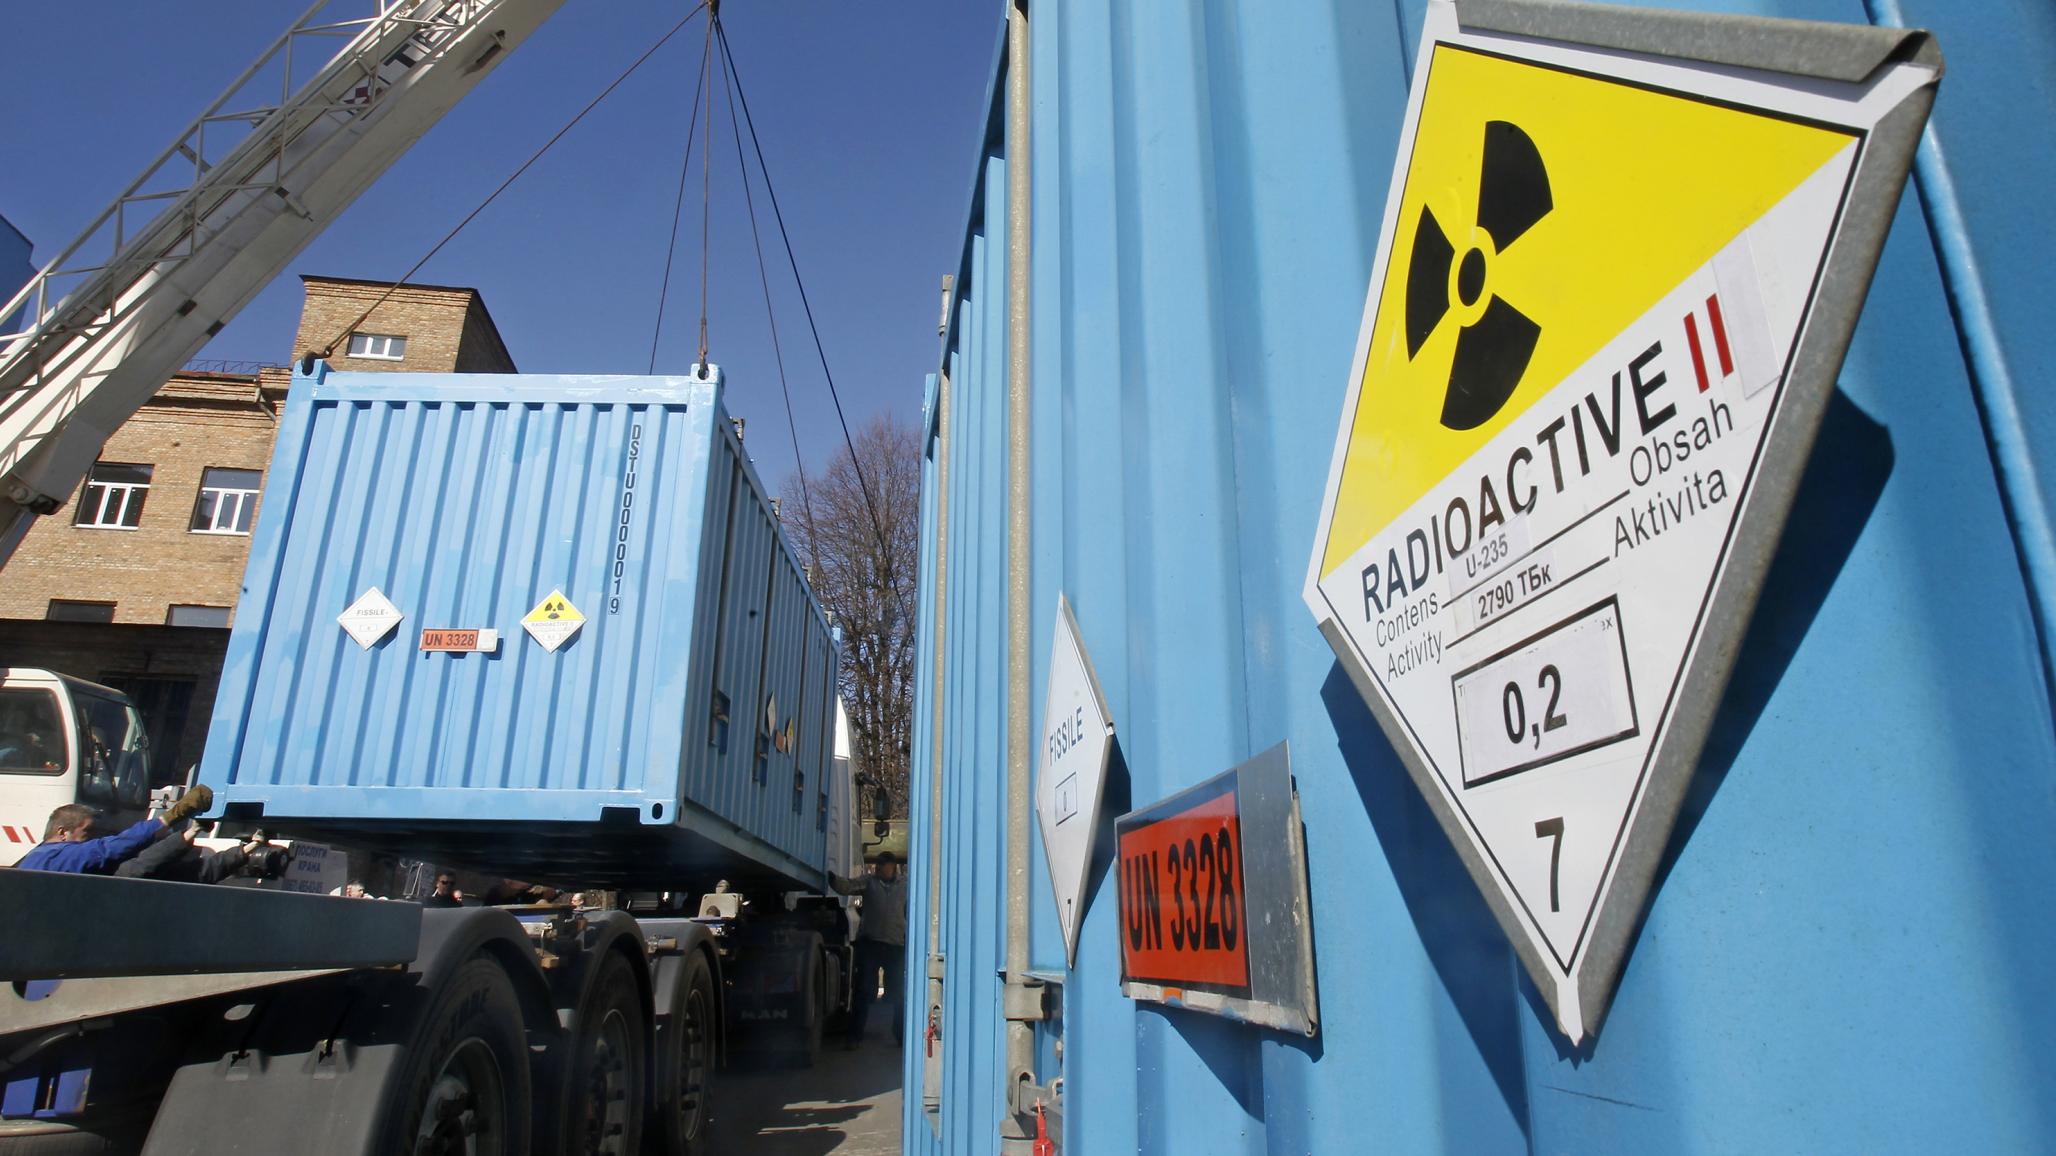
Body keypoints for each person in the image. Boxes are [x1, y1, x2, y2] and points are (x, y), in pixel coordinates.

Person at [17, 785, 213, 874]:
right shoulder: (58, 855)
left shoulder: (30, 858)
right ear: (62, 832)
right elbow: (110, 848)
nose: (90, 839)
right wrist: (170, 817)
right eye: (87, 832)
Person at [832, 851, 908, 1048]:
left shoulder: (905, 885)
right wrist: (833, 880)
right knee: (863, 990)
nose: (879, 869)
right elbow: (849, 886)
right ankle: (854, 1036)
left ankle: (901, 1035)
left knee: (899, 993)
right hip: (870, 943)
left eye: (883, 865)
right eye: (878, 865)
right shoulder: (869, 882)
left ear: (892, 867)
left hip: (895, 946)